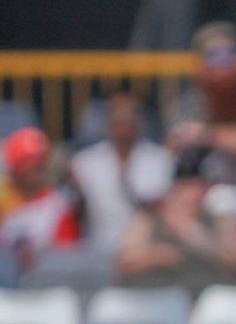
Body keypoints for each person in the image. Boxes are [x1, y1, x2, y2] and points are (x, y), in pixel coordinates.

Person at [115, 145, 236, 295]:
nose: (190, 193)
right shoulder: (149, 218)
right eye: (184, 185)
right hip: (156, 298)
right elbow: (122, 262)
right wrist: (154, 255)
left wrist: (194, 234)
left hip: (208, 299)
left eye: (197, 185)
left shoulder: (222, 219)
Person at [166, 21, 236, 187]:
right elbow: (170, 152)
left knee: (222, 200)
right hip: (204, 194)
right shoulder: (188, 103)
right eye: (214, 55)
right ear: (199, 63)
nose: (224, 62)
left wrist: (206, 135)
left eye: (231, 53)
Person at [69, 90, 173, 253]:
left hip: (147, 255)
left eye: (129, 115)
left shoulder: (161, 160)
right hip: (100, 253)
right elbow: (75, 214)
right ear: (106, 121)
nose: (123, 120)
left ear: (140, 121)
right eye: (117, 115)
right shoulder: (84, 163)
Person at [0, 126, 81, 270]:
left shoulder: (58, 205)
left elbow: (67, 257)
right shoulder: (4, 201)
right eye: (27, 162)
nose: (35, 169)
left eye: (39, 162)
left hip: (48, 284)